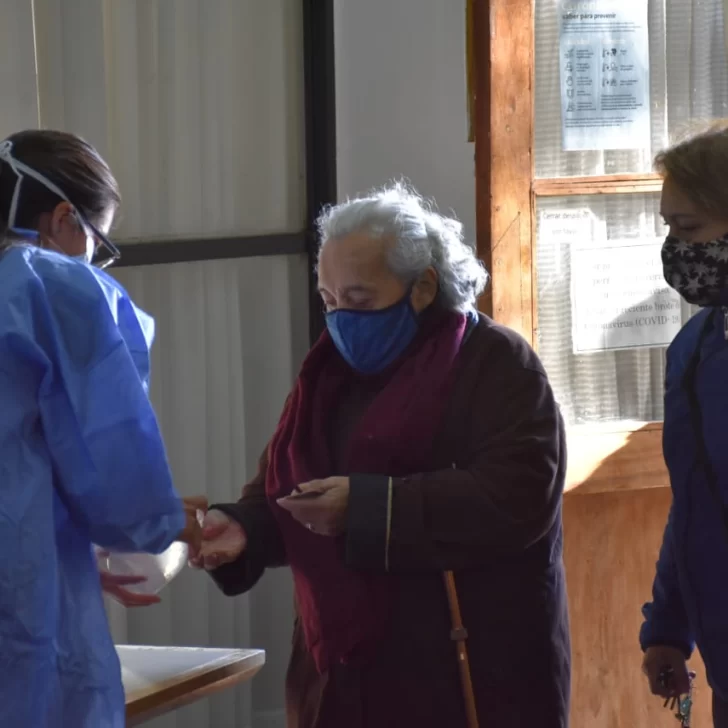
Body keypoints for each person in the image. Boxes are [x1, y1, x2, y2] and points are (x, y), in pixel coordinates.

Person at [193, 183, 571, 727]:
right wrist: (245, 526)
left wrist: (368, 506)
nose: (341, 318)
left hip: (470, 667)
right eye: (328, 300)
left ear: (423, 288)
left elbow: (518, 495)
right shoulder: (326, 377)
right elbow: (286, 486)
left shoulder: (497, 365)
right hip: (343, 675)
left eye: (360, 299)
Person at [0, 129, 204, 728]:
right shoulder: (45, 283)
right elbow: (108, 450)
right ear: (65, 218)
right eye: (99, 242)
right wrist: (169, 525)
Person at [640, 121, 728, 727]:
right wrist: (668, 626)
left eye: (690, 228)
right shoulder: (695, 348)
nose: (677, 249)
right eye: (670, 228)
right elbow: (694, 500)